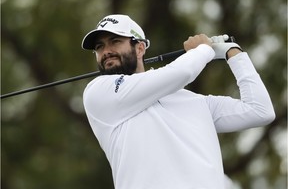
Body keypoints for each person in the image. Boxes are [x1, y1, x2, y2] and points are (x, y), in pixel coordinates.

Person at [81, 14, 275, 189]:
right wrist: (203, 50)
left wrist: (233, 53)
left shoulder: (194, 101)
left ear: (140, 48)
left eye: (115, 41)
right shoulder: (98, 92)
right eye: (100, 47)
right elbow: (182, 72)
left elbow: (260, 110)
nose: (106, 51)